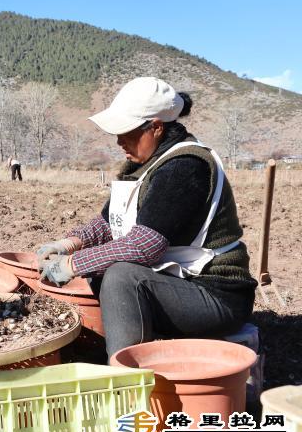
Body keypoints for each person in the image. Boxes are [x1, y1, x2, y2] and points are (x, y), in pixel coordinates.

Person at [36, 77, 256, 360]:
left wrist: (72, 264)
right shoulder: (145, 165)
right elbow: (109, 220)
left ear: (156, 127)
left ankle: (126, 372)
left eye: (126, 133)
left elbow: (144, 245)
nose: (119, 141)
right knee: (102, 272)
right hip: (181, 281)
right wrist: (69, 244)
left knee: (121, 277)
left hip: (216, 296)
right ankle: (128, 349)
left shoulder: (185, 167)